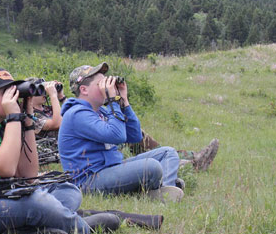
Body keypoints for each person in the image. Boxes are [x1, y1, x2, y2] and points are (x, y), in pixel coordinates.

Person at [0, 68, 121, 234]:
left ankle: (23, 233)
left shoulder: (2, 124)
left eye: (15, 91)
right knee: (36, 202)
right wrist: (14, 117)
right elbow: (6, 169)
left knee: (68, 191)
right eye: (5, 93)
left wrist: (27, 120)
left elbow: (28, 176)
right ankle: (82, 230)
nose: (13, 98)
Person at [58, 62, 184, 203]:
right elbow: (117, 136)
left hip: (110, 169)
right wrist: (113, 101)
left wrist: (123, 101)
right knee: (151, 167)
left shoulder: (101, 111)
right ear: (84, 89)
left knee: (168, 153)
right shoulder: (77, 114)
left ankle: (164, 189)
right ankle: (160, 189)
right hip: (89, 180)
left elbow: (134, 136)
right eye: (101, 84)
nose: (106, 87)